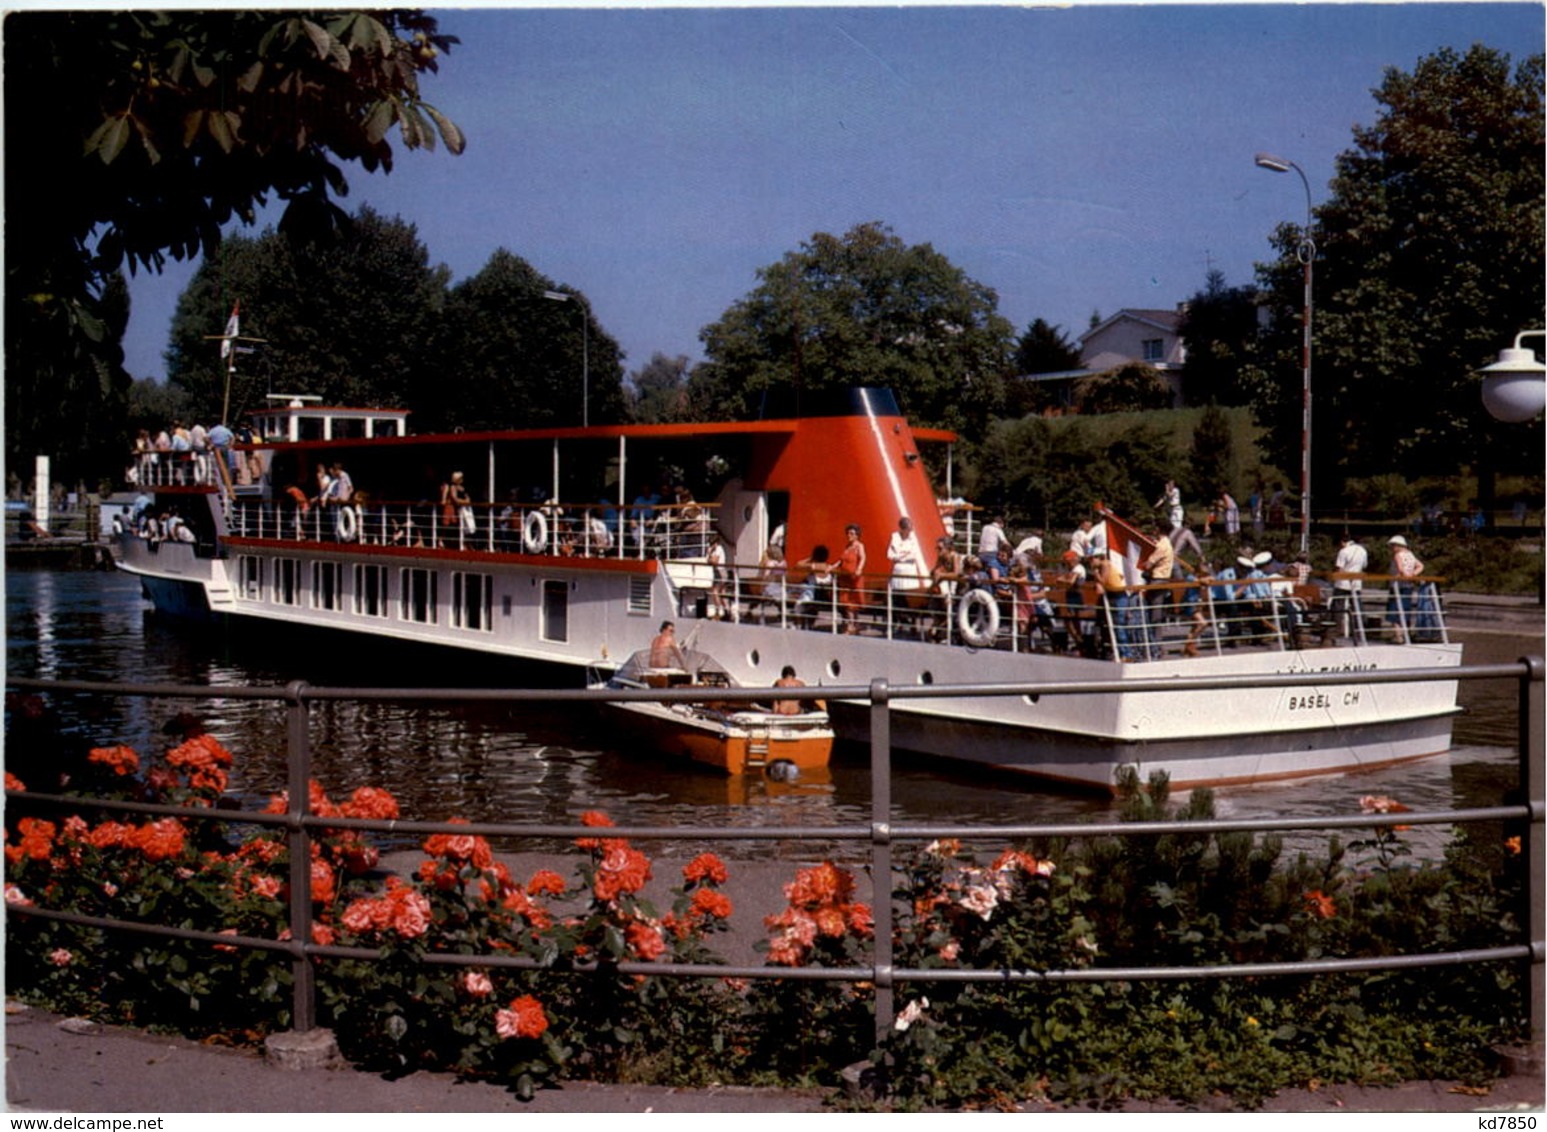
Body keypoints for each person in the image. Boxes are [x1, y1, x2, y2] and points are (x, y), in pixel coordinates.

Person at [1092, 549, 1133, 661]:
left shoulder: (1105, 564)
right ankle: (1121, 652)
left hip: (1119, 596)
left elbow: (1103, 581)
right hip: (1115, 596)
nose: (1090, 562)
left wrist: (1095, 574)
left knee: (1119, 625)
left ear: (1098, 558)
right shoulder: (1104, 566)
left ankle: (1126, 654)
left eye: (1092, 559)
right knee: (1115, 626)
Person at [1332, 531, 1369, 638]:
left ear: (1342, 542)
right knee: (1357, 605)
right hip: (1356, 582)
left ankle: (1337, 628)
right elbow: (1364, 565)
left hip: (1343, 582)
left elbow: (1339, 567)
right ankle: (1359, 628)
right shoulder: (1363, 550)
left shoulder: (1343, 551)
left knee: (1338, 605)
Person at [836, 523, 868, 634]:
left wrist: (859, 569)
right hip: (845, 578)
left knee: (853, 604)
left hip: (854, 578)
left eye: (852, 533)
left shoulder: (859, 546)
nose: (849, 535)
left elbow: (863, 558)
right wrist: (832, 566)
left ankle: (852, 626)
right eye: (848, 533)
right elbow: (841, 560)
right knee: (848, 603)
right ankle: (854, 625)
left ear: (857, 535)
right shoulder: (847, 547)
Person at [707, 531, 732, 620]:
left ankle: (718, 611)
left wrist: (709, 555)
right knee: (722, 593)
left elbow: (714, 562)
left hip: (720, 572)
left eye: (712, 543)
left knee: (715, 592)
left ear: (715, 543)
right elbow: (709, 562)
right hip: (718, 572)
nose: (710, 545)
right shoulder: (716, 550)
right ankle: (727, 612)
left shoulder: (718, 549)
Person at [441, 471, 472, 540]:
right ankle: (442, 541)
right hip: (451, 508)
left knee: (454, 525)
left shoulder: (459, 487)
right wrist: (465, 501)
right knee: (448, 524)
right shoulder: (452, 486)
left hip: (456, 508)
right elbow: (454, 498)